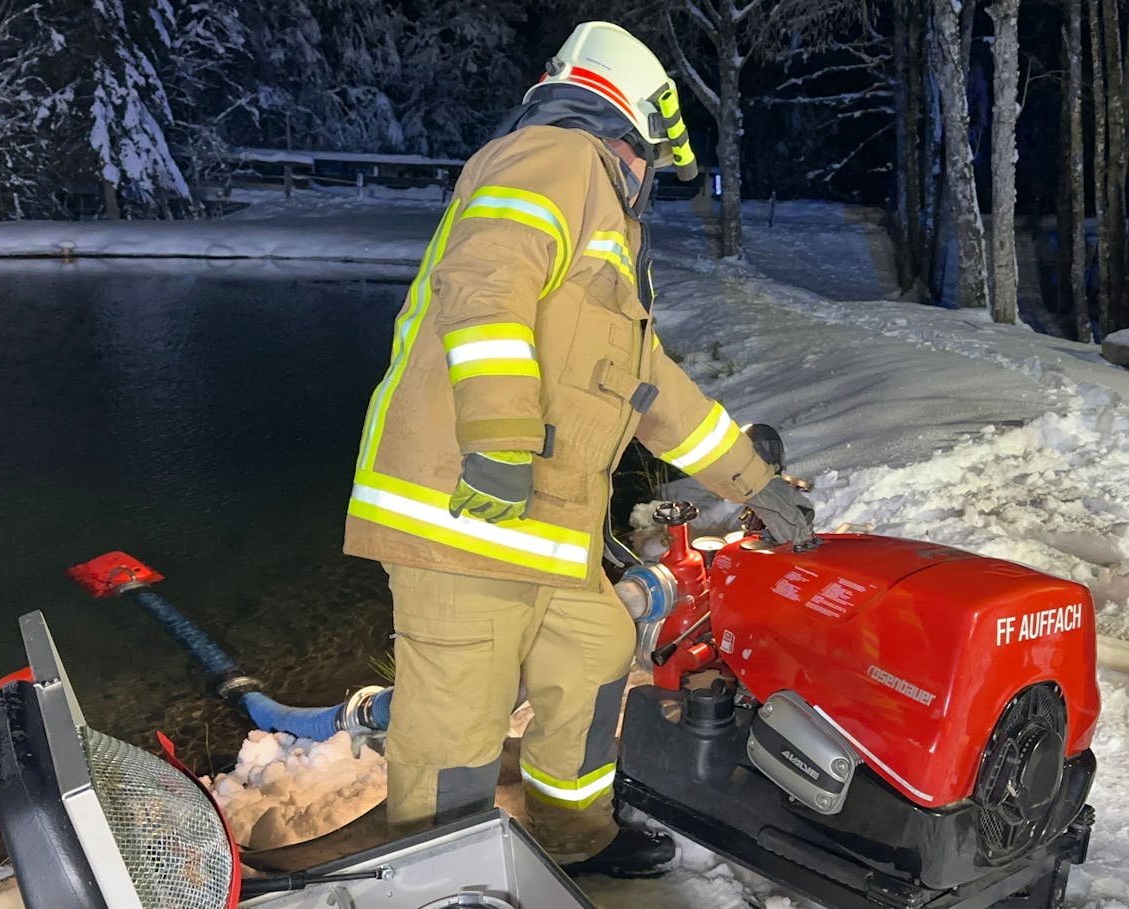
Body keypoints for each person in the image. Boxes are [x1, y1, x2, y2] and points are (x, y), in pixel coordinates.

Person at [342, 21, 815, 877]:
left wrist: (756, 481)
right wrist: (499, 438)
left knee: (596, 651)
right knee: (454, 735)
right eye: (650, 163)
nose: (649, 186)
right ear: (627, 130)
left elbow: (653, 391)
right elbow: (486, 282)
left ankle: (573, 840)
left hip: (541, 536)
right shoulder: (554, 157)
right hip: (466, 515)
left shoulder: (604, 221)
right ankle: (444, 884)